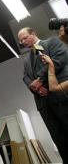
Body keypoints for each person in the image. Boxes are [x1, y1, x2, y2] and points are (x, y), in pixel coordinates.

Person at [18, 27, 68, 163]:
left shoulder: (52, 43)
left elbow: (59, 60)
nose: (23, 42)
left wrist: (40, 80)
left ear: (33, 34)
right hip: (43, 104)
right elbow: (25, 77)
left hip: (60, 98)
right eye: (21, 40)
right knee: (58, 138)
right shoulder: (26, 59)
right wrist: (35, 88)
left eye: (25, 38)